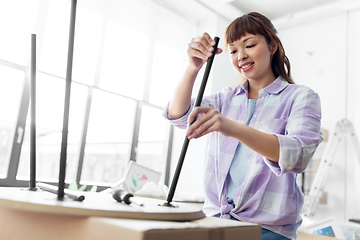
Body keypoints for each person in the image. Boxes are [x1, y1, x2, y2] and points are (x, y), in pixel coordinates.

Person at [164, 12, 323, 240]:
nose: (241, 56)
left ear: (273, 46)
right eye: (233, 50)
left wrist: (231, 127)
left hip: (268, 230)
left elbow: (297, 155)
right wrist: (192, 68)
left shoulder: (301, 97)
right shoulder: (224, 99)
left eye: (249, 45)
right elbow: (180, 117)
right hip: (216, 221)